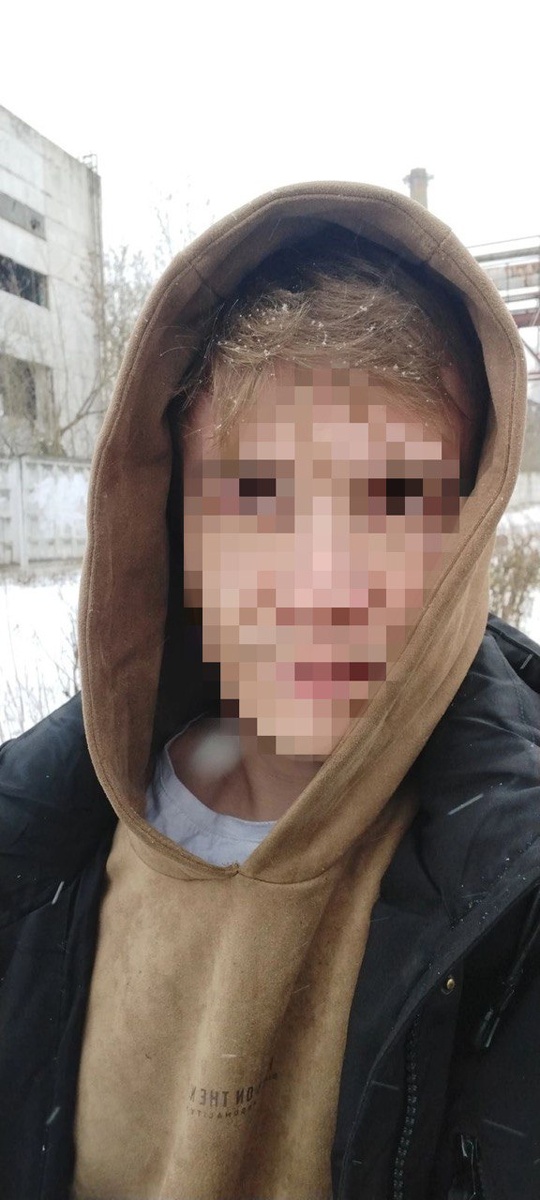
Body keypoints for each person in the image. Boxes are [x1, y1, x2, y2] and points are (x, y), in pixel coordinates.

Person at [1, 181, 539, 1200]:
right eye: (255, 493)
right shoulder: (33, 850)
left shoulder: (516, 910)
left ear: (468, 533)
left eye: (397, 497)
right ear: (174, 529)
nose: (322, 585)